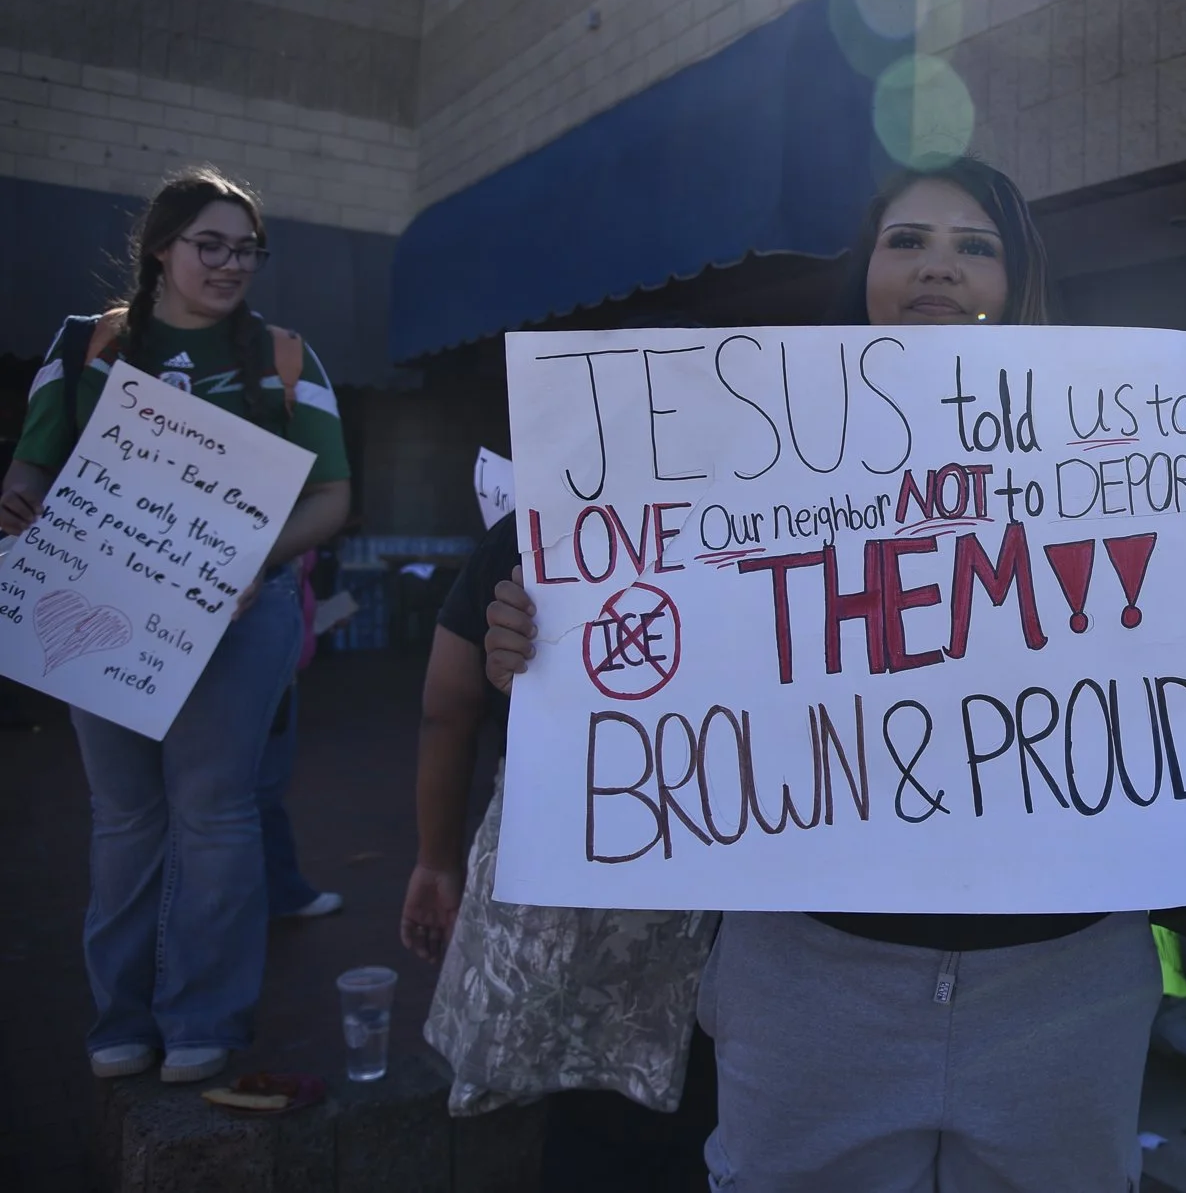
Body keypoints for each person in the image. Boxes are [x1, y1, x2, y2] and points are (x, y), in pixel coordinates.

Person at [482, 155, 1186, 1191]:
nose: (939, 270)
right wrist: (541, 637)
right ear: (864, 269)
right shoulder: (736, 447)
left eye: (977, 248)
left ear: (1019, 284)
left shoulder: (1128, 453)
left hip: (1062, 980)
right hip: (808, 975)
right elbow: (653, 633)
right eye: (906, 242)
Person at [0, 166, 352, 1084]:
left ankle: (203, 1021)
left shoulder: (283, 356)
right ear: (162, 248)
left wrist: (258, 558)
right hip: (101, 608)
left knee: (215, 812)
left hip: (239, 618)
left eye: (247, 248)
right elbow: (34, 467)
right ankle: (119, 1020)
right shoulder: (87, 347)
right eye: (212, 244)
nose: (232, 263)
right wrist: (21, 500)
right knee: (124, 818)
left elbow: (333, 497)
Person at [409, 494, 719, 1193]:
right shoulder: (798, 514)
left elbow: (444, 708)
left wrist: (435, 856)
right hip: (740, 924)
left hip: (590, 928)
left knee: (597, 1127)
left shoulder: (536, 529)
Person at [258, 548, 344, 919]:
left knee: (263, 794)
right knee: (256, 798)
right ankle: (277, 894)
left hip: (280, 673)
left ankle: (279, 891)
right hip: (264, 682)